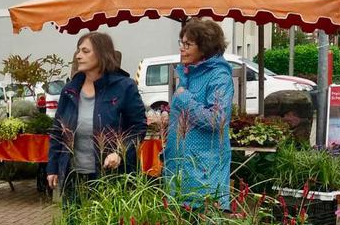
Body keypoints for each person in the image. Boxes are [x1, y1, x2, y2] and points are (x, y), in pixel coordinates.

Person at [46, 32, 146, 202]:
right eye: (78, 51)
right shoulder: (70, 90)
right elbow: (58, 131)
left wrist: (120, 152)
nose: (78, 56)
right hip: (74, 178)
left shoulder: (124, 87)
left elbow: (138, 127)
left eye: (85, 51)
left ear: (101, 54)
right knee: (73, 218)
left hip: (112, 177)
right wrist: (52, 167)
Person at [163, 18, 234, 210]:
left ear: (204, 47)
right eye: (181, 43)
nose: (182, 48)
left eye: (188, 44)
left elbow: (217, 120)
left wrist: (184, 98)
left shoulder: (219, 76)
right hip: (180, 169)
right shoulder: (189, 73)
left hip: (204, 173)